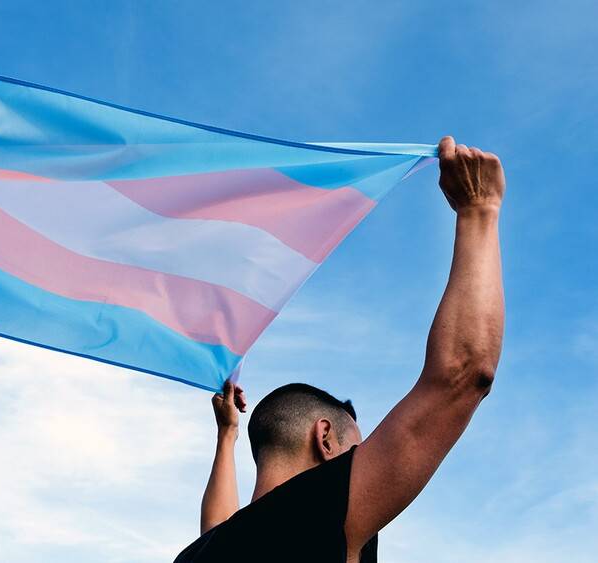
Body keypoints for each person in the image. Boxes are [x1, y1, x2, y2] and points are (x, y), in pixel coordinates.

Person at [174, 136, 506, 563]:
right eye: (357, 450)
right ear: (325, 438)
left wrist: (227, 435)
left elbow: (218, 527)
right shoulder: (308, 519)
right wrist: (480, 211)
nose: (366, 463)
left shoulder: (203, 553)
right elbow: (463, 374)